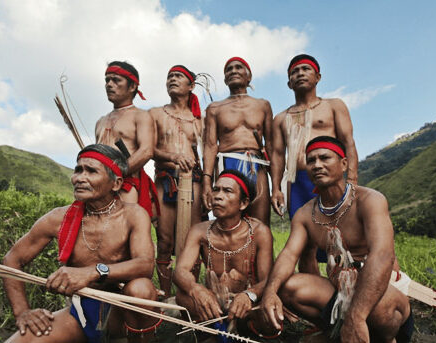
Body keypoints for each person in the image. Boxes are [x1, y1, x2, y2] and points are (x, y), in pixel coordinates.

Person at [3, 144, 161, 343]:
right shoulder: (58, 218)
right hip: (82, 311)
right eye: (78, 170)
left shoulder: (133, 214)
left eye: (91, 171)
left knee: (141, 289)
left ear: (116, 183)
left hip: (123, 308)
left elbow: (145, 265)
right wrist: (22, 312)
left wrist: (92, 271)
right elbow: (12, 259)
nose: (79, 178)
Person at [262, 136, 413, 343]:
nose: (317, 165)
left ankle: (380, 337)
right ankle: (338, 332)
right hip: (339, 288)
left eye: (324, 158)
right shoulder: (306, 214)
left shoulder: (369, 200)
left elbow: (382, 255)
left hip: (383, 288)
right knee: (289, 288)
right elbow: (289, 255)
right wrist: (270, 292)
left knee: (380, 309)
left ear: (343, 164)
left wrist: (356, 317)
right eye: (311, 160)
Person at [174, 169, 280, 339]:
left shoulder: (260, 232)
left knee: (270, 315)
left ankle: (241, 330)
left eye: (227, 191)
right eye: (216, 189)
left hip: (248, 303)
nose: (217, 196)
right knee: (182, 297)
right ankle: (215, 330)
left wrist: (249, 295)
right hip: (214, 303)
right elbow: (180, 271)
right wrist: (197, 289)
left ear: (243, 203)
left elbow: (268, 279)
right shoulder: (200, 231)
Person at [270, 54, 358, 220]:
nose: (300, 73)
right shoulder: (281, 118)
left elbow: (348, 143)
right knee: (302, 228)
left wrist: (352, 180)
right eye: (295, 71)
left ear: (318, 77)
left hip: (330, 175)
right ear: (289, 83)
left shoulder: (333, 106)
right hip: (296, 181)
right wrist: (275, 189)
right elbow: (277, 156)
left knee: (336, 227)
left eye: (306, 69)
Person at [149, 65, 204, 297]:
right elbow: (148, 148)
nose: (172, 79)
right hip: (165, 180)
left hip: (194, 183)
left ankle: (188, 294)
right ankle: (165, 297)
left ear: (191, 85)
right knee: (164, 239)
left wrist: (208, 185)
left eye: (178, 76)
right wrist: (173, 157)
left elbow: (207, 152)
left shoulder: (199, 120)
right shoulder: (155, 114)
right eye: (169, 76)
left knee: (193, 239)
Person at [202, 57, 273, 226]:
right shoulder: (215, 108)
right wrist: (207, 181)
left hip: (256, 165)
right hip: (228, 163)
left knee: (260, 223)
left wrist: (276, 186)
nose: (233, 71)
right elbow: (211, 145)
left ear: (249, 77)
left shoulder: (263, 105)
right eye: (229, 69)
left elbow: (271, 146)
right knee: (228, 222)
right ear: (225, 79)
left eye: (238, 67)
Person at [95, 61, 158, 219]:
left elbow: (146, 151)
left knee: (123, 233)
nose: (109, 84)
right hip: (100, 185)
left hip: (126, 184)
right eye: (107, 80)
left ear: (132, 87)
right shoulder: (101, 121)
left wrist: (115, 174)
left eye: (116, 80)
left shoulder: (141, 116)